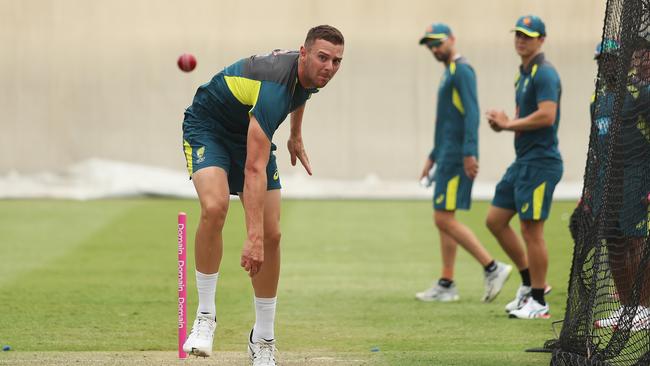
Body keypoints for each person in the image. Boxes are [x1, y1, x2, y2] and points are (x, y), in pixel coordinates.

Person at [180, 25, 344, 365]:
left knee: (273, 234)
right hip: (209, 129)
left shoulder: (312, 74)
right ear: (303, 53)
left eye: (336, 61)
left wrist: (295, 135)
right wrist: (250, 237)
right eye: (323, 58)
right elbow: (253, 169)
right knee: (215, 207)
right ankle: (206, 317)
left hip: (253, 130)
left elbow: (303, 93)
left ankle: (263, 337)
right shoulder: (273, 88)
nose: (329, 67)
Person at [415, 23, 512, 303]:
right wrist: (432, 156)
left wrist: (469, 153)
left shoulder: (462, 71)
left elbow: (471, 115)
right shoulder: (449, 73)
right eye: (430, 44)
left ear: (452, 40)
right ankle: (447, 283)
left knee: (442, 218)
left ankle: (492, 267)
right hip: (446, 156)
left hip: (457, 157)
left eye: (438, 42)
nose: (434, 48)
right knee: (445, 219)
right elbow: (446, 121)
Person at [485, 15, 563, 319]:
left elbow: (547, 116)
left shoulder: (545, 73)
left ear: (541, 40)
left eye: (528, 36)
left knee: (532, 230)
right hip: (523, 162)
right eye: (518, 35)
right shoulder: (524, 73)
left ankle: (539, 301)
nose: (522, 40)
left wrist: (507, 125)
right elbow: (522, 117)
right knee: (495, 220)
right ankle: (529, 286)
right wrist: (503, 123)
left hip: (542, 163)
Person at [593, 42, 650, 331]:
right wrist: (591, 189)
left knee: (635, 240)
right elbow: (595, 149)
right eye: (602, 61)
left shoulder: (641, 95)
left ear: (624, 62)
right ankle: (627, 307)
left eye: (613, 60)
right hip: (607, 181)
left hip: (635, 176)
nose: (607, 66)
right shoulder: (599, 100)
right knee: (613, 240)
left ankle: (646, 307)